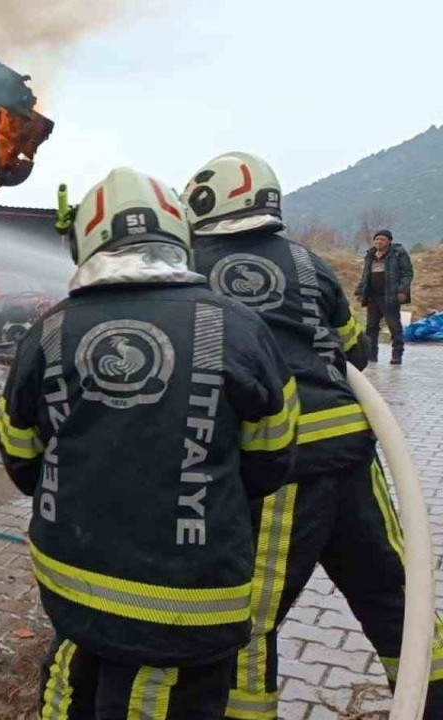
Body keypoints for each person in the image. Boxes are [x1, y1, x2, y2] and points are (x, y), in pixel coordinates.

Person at [0, 167, 298, 719]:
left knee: (70, 695)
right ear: (180, 233)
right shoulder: (242, 327)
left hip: (75, 590)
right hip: (190, 602)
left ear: (83, 240)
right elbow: (272, 458)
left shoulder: (48, 331)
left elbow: (21, 457)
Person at [182, 152, 443, 720]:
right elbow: (355, 350)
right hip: (354, 452)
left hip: (281, 464)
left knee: (251, 617)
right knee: (394, 594)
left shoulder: (190, 266)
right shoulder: (307, 261)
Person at [356, 229, 414, 364]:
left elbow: (407, 274)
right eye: (377, 239)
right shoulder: (370, 255)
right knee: (371, 327)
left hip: (390, 296)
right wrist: (360, 291)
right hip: (372, 296)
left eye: (382, 239)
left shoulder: (398, 253)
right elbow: (365, 275)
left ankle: (397, 355)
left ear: (389, 241)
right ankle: (371, 356)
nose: (379, 241)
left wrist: (402, 291)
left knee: (394, 326)